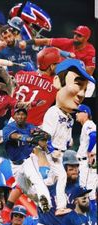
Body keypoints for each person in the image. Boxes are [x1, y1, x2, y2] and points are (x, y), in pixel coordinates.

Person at [42, 58, 95, 215]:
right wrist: (51, 150)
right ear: (58, 81)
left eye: (85, 89)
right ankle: (60, 207)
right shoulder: (52, 112)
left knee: (51, 180)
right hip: (54, 151)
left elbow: (67, 134)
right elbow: (45, 137)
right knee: (63, 177)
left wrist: (69, 140)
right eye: (78, 84)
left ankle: (39, 187)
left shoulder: (70, 118)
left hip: (62, 152)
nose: (81, 94)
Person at [2, 105, 52, 210]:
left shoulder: (30, 127)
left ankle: (46, 200)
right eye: (18, 114)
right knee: (26, 190)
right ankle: (43, 203)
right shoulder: (8, 128)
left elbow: (47, 136)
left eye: (23, 114)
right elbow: (17, 136)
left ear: (26, 116)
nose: (20, 116)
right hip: (15, 165)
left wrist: (42, 134)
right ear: (14, 116)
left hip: (28, 159)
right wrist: (33, 139)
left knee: (36, 179)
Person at [34, 149, 81, 225]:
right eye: (71, 167)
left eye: (77, 167)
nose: (75, 170)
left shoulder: (78, 187)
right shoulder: (49, 180)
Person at [14, 47, 61, 126]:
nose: (59, 66)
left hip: (12, 122)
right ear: (52, 66)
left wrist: (33, 72)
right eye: (58, 64)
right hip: (32, 128)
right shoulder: (55, 84)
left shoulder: (20, 74)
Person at [20, 25, 95, 75]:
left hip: (80, 79)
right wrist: (27, 42)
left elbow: (88, 73)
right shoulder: (68, 42)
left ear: (86, 38)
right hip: (63, 76)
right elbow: (46, 41)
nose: (75, 36)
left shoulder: (90, 51)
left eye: (79, 35)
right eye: (75, 34)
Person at [75, 104, 96, 200]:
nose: (76, 114)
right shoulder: (86, 125)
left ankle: (91, 214)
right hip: (82, 162)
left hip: (86, 161)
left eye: (78, 112)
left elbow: (94, 136)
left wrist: (89, 151)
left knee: (88, 190)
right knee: (84, 189)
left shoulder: (89, 124)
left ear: (86, 113)